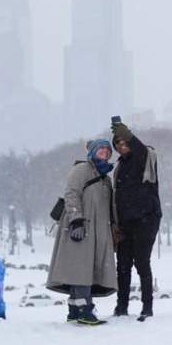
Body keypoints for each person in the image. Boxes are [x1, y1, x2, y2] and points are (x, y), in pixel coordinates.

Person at [46, 138, 118, 326]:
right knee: (80, 268)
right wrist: (76, 220)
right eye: (100, 149)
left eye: (107, 150)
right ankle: (85, 310)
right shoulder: (81, 170)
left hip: (98, 231)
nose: (104, 152)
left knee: (84, 268)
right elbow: (71, 194)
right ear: (92, 152)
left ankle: (74, 310)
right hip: (81, 227)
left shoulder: (105, 178)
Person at [110, 121, 162, 320]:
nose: (122, 147)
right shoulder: (119, 167)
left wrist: (128, 134)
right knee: (122, 266)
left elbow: (139, 148)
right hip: (125, 223)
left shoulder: (142, 158)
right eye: (118, 145)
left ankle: (147, 306)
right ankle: (121, 306)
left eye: (124, 143)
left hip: (145, 219)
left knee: (142, 262)